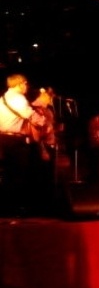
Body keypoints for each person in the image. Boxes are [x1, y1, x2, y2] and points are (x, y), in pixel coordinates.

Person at [0, 74, 45, 214]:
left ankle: (6, 206)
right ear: (19, 84)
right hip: (15, 141)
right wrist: (43, 120)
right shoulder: (18, 99)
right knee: (18, 173)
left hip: (3, 138)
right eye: (25, 83)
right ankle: (16, 207)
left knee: (8, 173)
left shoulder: (2, 98)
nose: (27, 86)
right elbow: (29, 115)